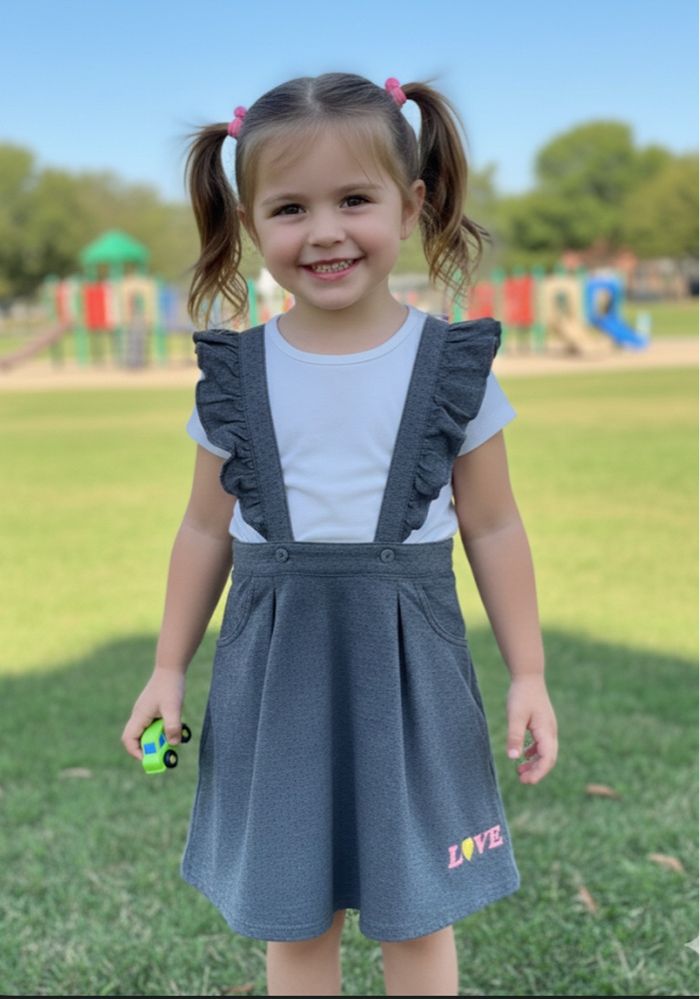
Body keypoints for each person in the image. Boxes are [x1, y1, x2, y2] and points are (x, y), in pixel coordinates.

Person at [121, 72, 558, 997]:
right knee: (296, 913)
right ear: (251, 225)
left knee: (419, 910)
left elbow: (494, 524)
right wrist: (166, 667)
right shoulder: (237, 375)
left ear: (412, 204)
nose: (324, 231)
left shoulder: (452, 367)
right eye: (290, 208)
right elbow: (203, 529)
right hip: (274, 672)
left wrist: (529, 674)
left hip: (411, 670)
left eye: (354, 200)